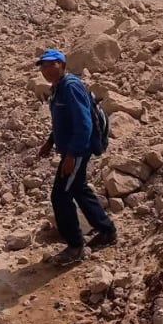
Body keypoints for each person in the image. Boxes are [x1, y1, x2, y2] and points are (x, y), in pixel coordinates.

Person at [34, 48, 116, 265]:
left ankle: (75, 246)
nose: (45, 69)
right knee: (79, 188)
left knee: (60, 197)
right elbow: (65, 121)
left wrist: (72, 155)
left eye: (50, 64)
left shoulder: (70, 87)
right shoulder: (58, 88)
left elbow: (83, 123)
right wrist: (50, 142)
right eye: (42, 65)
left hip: (78, 150)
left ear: (61, 64)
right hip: (72, 149)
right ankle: (106, 230)